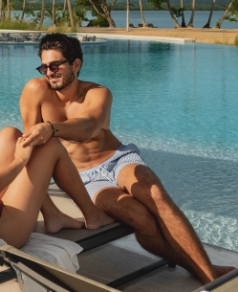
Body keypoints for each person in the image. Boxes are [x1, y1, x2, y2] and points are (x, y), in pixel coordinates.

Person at [20, 33, 233, 284]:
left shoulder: (99, 93)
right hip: (84, 179)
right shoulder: (36, 90)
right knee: (139, 217)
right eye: (44, 67)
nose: (48, 73)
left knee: (155, 195)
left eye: (55, 66)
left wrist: (52, 128)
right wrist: (49, 209)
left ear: (75, 65)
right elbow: (30, 151)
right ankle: (202, 269)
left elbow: (88, 127)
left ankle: (209, 280)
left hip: (117, 158)